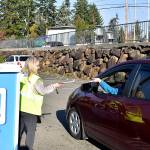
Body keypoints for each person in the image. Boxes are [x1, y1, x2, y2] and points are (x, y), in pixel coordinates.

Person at [19, 57, 63, 150]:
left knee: (19, 131)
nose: (39, 67)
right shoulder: (36, 79)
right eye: (37, 65)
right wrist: (54, 85)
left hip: (21, 108)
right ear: (32, 66)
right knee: (30, 133)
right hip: (31, 110)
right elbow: (42, 91)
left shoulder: (23, 76)